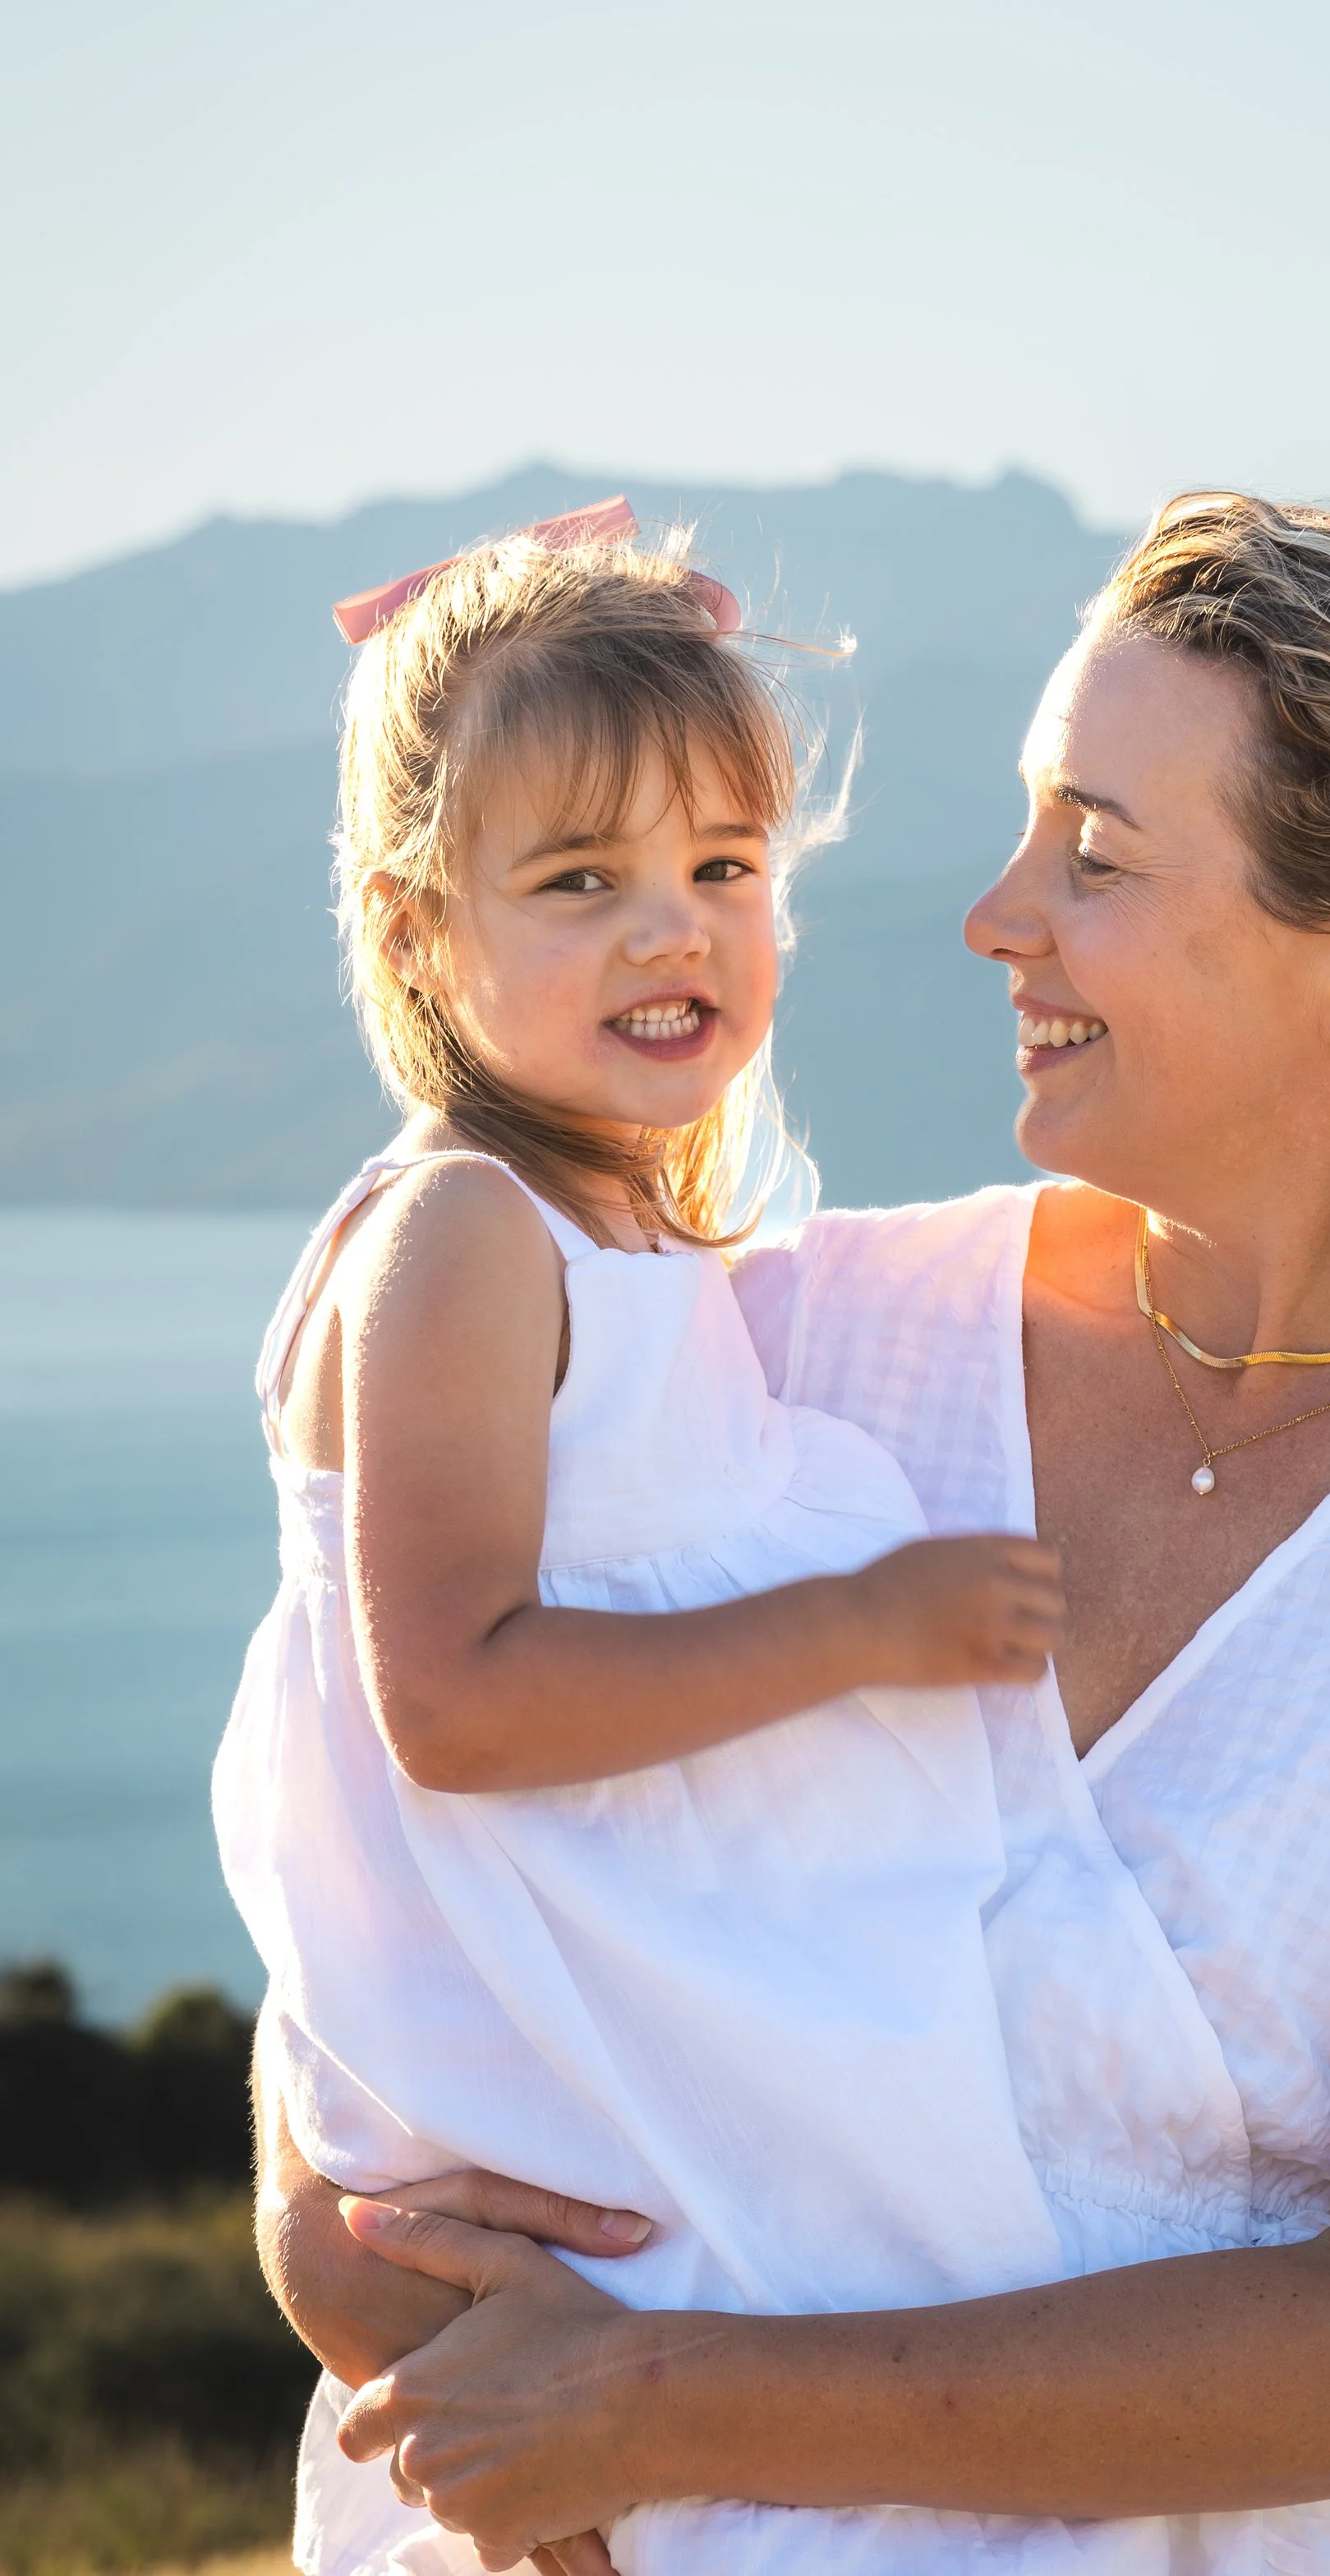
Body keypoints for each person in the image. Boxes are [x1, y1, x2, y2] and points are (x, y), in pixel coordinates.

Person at [259, 493, 1330, 2576]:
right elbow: (387, 1823)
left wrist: (649, 2406)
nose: (990, 916)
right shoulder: (785, 1349)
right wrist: (320, 2213)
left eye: (1094, 856)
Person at [213, 501, 1071, 2576]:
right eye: (578, 880)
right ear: (418, 930)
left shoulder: (612, 1233)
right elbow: (456, 1704)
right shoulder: (462, 1235)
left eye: (723, 868)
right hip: (560, 2115)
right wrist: (857, 1625)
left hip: (626, 2082)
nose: (667, 930)